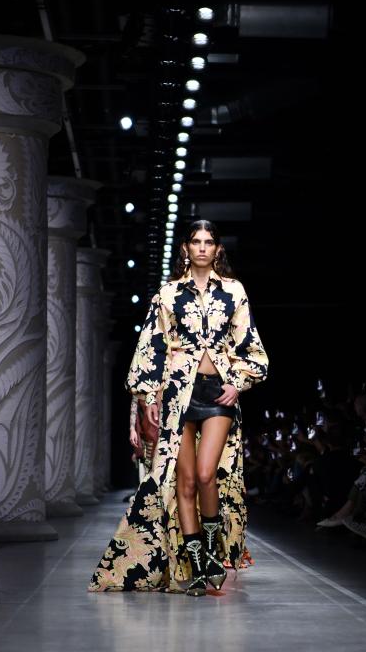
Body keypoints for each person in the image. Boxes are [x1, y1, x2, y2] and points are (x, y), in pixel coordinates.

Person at [88, 220, 269, 596]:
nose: (202, 247)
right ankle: (199, 566)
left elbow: (250, 344)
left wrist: (238, 382)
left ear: (218, 249)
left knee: (206, 474)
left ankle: (213, 552)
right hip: (177, 394)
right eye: (196, 241)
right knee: (184, 482)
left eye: (209, 242)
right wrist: (149, 398)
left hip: (217, 392)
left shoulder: (233, 291)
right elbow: (151, 347)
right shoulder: (168, 294)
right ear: (185, 248)